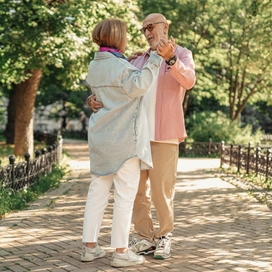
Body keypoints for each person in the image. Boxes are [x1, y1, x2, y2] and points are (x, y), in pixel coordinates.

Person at [87, 13, 196, 260]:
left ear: (165, 27)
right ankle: (144, 238)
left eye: (151, 27)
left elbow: (189, 81)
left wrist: (170, 60)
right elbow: (116, 87)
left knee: (162, 191)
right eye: (143, 29)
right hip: (135, 134)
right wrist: (93, 99)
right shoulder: (136, 60)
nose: (147, 32)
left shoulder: (182, 54)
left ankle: (164, 236)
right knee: (137, 191)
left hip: (166, 133)